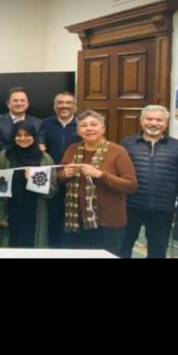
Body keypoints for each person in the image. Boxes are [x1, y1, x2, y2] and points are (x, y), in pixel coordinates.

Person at [58, 110, 137, 256]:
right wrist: (64, 174)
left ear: (103, 128)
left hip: (109, 222)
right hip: (77, 221)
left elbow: (131, 185)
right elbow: (59, 180)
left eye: (94, 124)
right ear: (78, 130)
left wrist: (100, 175)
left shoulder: (118, 151)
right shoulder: (72, 149)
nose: (89, 128)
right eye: (83, 125)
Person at [119, 105, 178, 259]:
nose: (153, 123)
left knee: (157, 252)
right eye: (149, 119)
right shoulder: (127, 144)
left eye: (159, 120)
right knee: (122, 248)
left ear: (166, 123)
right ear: (142, 121)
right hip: (129, 206)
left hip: (162, 209)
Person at [0, 121, 57, 248]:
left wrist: (33, 180)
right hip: (10, 211)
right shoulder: (4, 156)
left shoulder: (45, 158)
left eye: (27, 135)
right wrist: (1, 216)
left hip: (35, 211)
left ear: (34, 136)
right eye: (18, 135)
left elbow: (52, 189)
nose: (22, 138)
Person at [38, 91, 82, 248]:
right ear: (54, 106)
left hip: (75, 178)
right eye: (60, 103)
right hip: (52, 179)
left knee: (74, 220)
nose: (64, 106)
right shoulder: (45, 123)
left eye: (68, 103)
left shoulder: (82, 125)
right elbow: (40, 145)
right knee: (53, 218)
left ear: (75, 106)